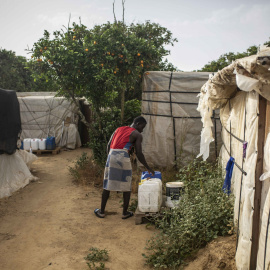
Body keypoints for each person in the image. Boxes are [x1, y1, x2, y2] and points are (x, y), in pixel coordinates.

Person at [94, 116, 155, 219]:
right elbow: (139, 153)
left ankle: (102, 211)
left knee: (107, 183)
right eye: (142, 127)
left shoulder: (118, 129)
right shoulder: (137, 134)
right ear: (137, 124)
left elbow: (109, 145)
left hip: (112, 155)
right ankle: (125, 213)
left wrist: (110, 158)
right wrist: (148, 167)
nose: (142, 130)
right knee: (126, 184)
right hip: (123, 157)